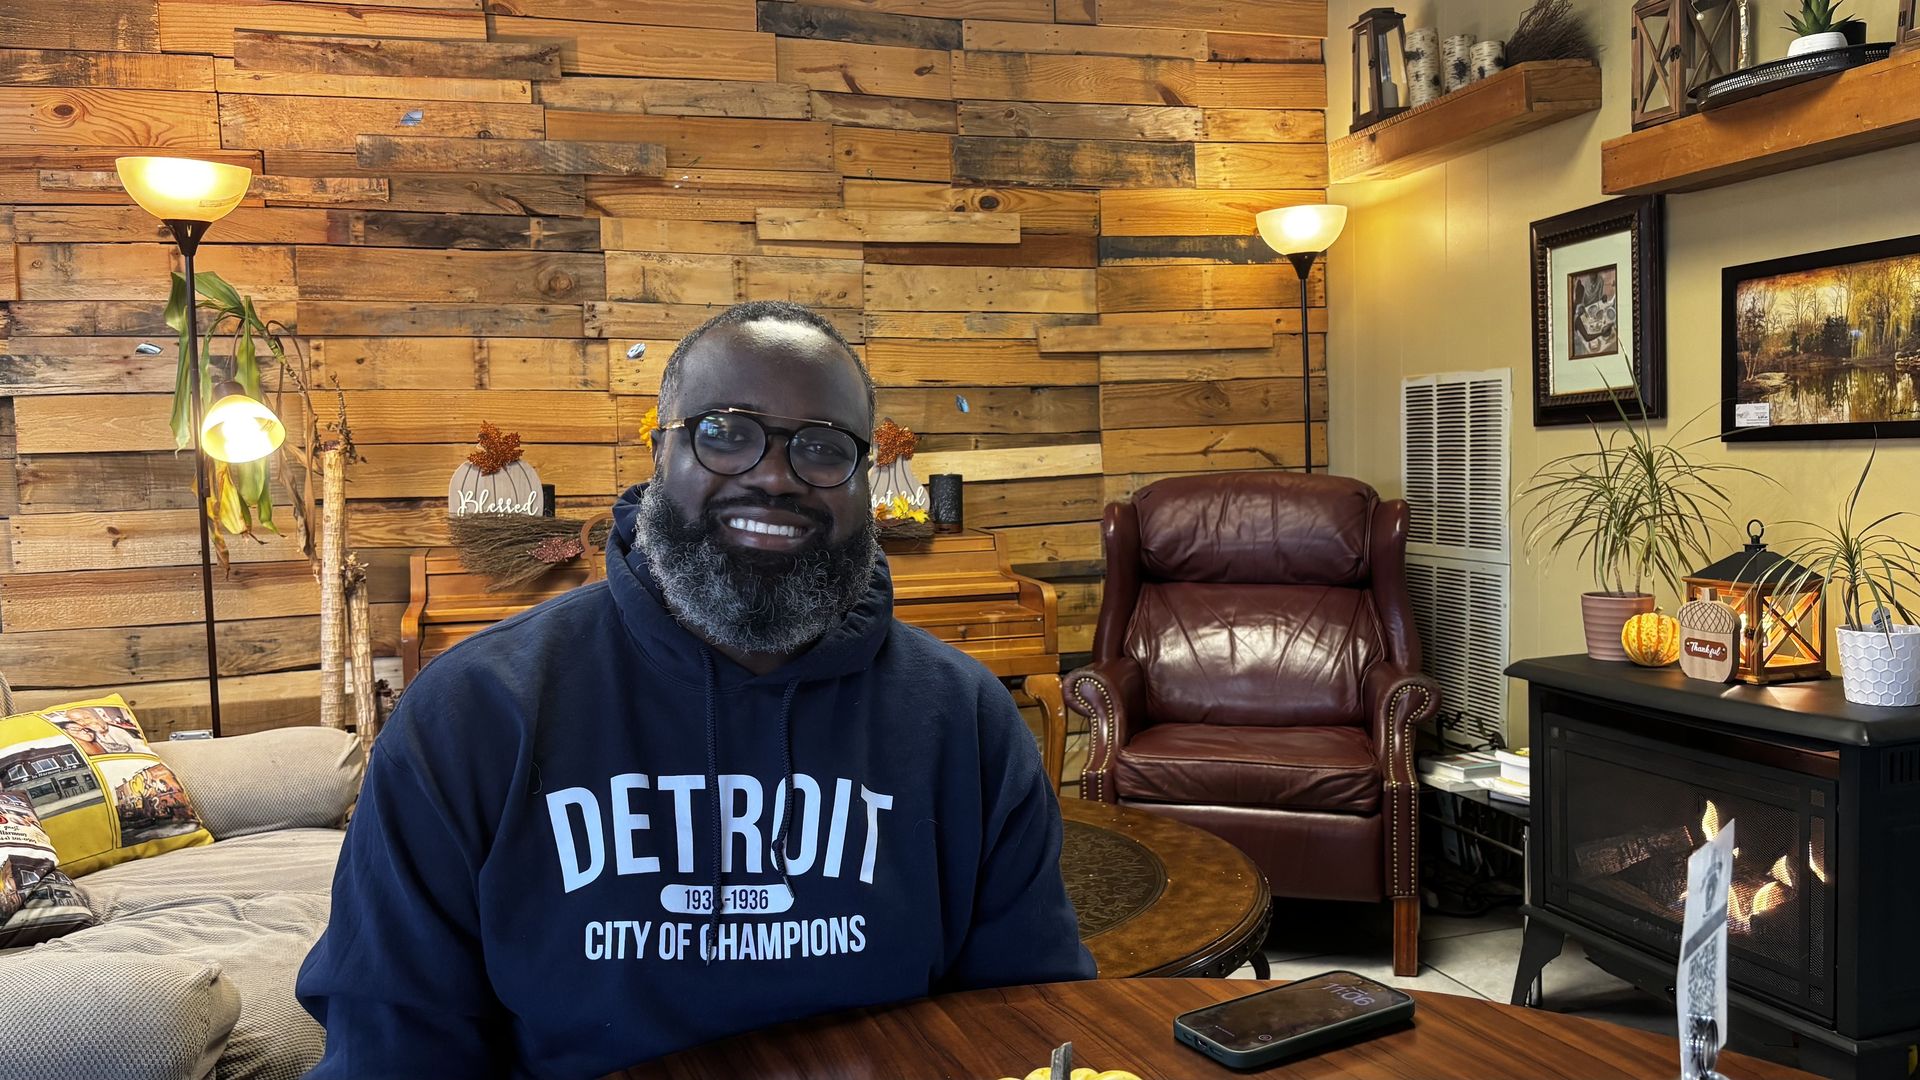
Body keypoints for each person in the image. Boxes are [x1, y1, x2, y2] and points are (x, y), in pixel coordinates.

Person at [296, 301, 1094, 1078]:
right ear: (660, 455)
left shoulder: (965, 719)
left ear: (864, 483)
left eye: (822, 448)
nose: (775, 476)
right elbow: (393, 1043)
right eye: (726, 434)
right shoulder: (472, 715)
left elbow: (1027, 1024)